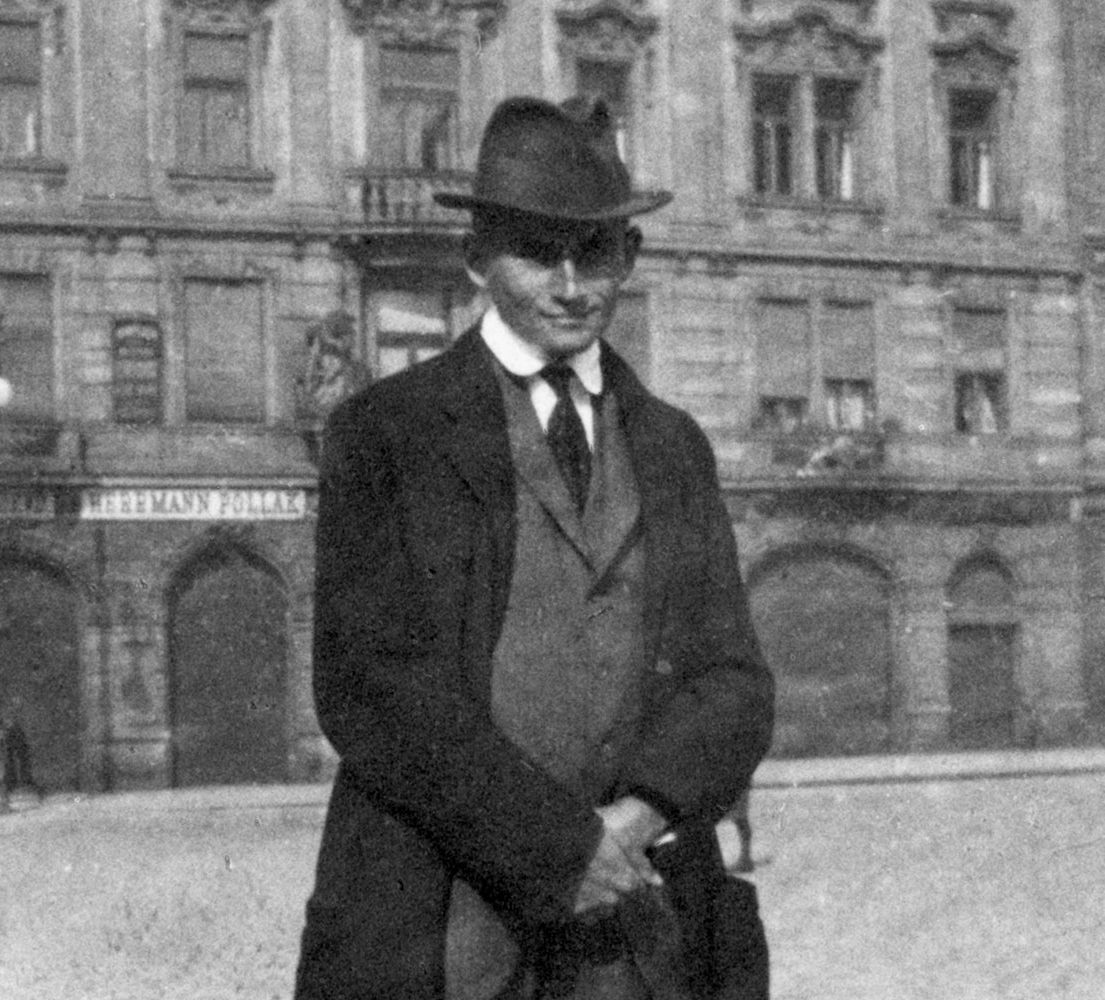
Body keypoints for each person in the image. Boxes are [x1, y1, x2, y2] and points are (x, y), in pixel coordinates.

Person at [295, 95, 775, 1000]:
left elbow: (734, 682)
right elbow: (370, 686)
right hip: (442, 925)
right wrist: (560, 850)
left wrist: (638, 820)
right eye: (534, 251)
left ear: (628, 257)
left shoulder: (673, 445)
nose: (568, 283)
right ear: (476, 259)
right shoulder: (385, 433)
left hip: (640, 933)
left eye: (594, 251)